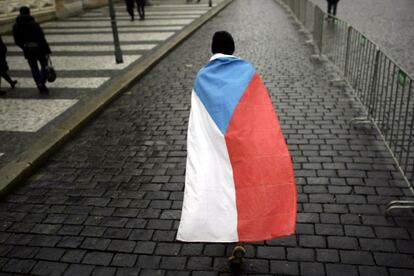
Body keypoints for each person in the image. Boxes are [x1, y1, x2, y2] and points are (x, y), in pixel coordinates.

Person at [177, 31, 297, 267]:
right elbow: (259, 108)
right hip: (244, 140)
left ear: (212, 50)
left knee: (224, 184)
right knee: (244, 186)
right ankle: (241, 240)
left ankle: (227, 231)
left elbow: (198, 119)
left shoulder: (203, 76)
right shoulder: (248, 72)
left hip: (218, 143)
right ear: (232, 49)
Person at [13, 6, 51, 93]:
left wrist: (24, 47)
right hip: (39, 48)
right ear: (29, 12)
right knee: (44, 65)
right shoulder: (34, 23)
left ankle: (38, 83)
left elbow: (16, 40)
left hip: (27, 49)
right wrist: (47, 50)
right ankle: (41, 82)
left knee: (34, 68)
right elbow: (41, 38)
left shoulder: (16, 26)